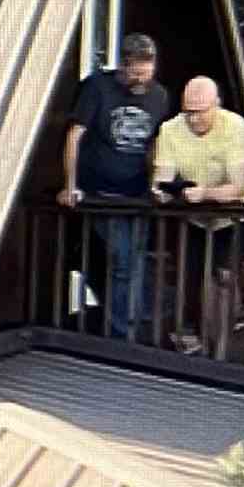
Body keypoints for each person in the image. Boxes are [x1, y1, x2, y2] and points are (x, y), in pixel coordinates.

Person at [62, 33, 169, 339]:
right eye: (135, 73)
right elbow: (75, 135)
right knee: (122, 260)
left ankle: (130, 327)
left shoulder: (159, 96)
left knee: (135, 260)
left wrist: (156, 183)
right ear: (123, 65)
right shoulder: (97, 87)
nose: (140, 80)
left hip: (136, 192)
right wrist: (70, 184)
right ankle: (122, 333)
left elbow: (157, 144)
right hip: (100, 190)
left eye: (146, 74)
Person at [150, 75, 244, 354]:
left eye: (200, 112)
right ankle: (205, 342)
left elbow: (238, 187)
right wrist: (161, 191)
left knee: (225, 278)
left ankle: (222, 346)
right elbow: (162, 177)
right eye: (188, 112)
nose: (194, 119)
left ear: (217, 105)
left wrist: (205, 193)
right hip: (194, 215)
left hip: (235, 212)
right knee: (194, 277)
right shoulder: (170, 129)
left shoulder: (235, 127)